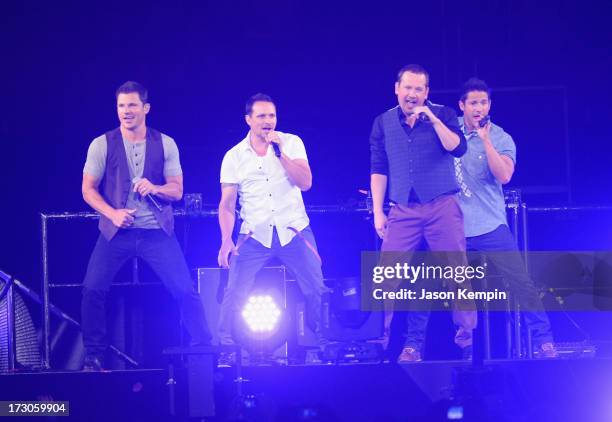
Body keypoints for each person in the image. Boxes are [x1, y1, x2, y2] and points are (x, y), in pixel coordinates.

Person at [80, 81, 211, 370]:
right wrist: (112, 213)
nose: (126, 111)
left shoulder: (165, 143)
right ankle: (93, 354)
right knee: (92, 288)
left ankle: (204, 346)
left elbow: (177, 191)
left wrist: (155, 187)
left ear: (145, 108)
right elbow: (88, 190)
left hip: (156, 232)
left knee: (184, 289)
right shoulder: (101, 144)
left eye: (132, 105)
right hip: (116, 232)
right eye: (121, 106)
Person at [369, 64, 476, 362]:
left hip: (442, 205)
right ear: (397, 89)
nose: (413, 94)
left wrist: (433, 120)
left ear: (426, 93)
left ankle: (467, 343)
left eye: (419, 89)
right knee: (386, 277)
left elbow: (458, 148)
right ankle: (380, 340)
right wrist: (378, 211)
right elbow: (379, 168)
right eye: (408, 88)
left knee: (457, 274)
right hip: (402, 208)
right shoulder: (382, 123)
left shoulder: (442, 115)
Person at [217, 93, 328, 364]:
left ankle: (322, 344)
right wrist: (226, 240)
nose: (268, 122)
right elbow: (227, 205)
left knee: (316, 287)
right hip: (254, 233)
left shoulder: (291, 143)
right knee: (235, 290)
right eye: (262, 116)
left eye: (272, 116)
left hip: (294, 230)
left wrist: (281, 154)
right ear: (248, 120)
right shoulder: (233, 157)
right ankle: (226, 347)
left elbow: (305, 182)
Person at [456, 77, 557, 358]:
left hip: (490, 224)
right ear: (462, 105)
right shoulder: (449, 131)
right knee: (450, 282)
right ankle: (462, 331)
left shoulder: (500, 137)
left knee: (520, 282)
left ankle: (543, 340)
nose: (479, 108)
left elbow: (504, 175)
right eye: (473, 102)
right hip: (455, 226)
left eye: (484, 102)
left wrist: (485, 140)